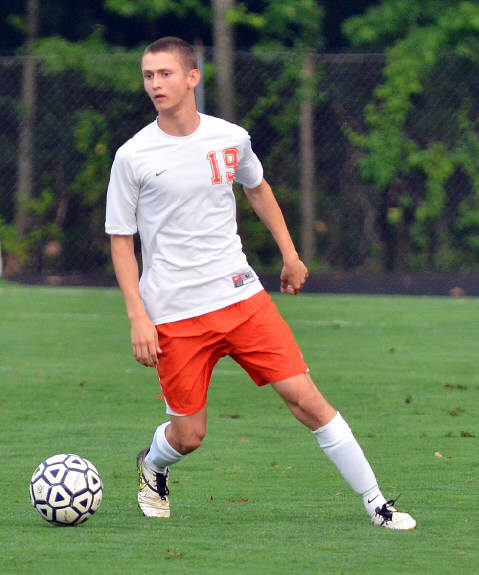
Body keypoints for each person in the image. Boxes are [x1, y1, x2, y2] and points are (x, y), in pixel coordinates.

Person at [105, 36, 416, 530]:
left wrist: (290, 255)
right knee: (189, 436)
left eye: (165, 74)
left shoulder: (230, 137)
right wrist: (137, 317)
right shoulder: (133, 156)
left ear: (192, 77)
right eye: (148, 76)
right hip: (174, 314)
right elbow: (121, 241)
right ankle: (154, 464)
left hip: (241, 297)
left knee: (307, 400)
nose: (155, 84)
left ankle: (377, 504)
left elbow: (258, 187)